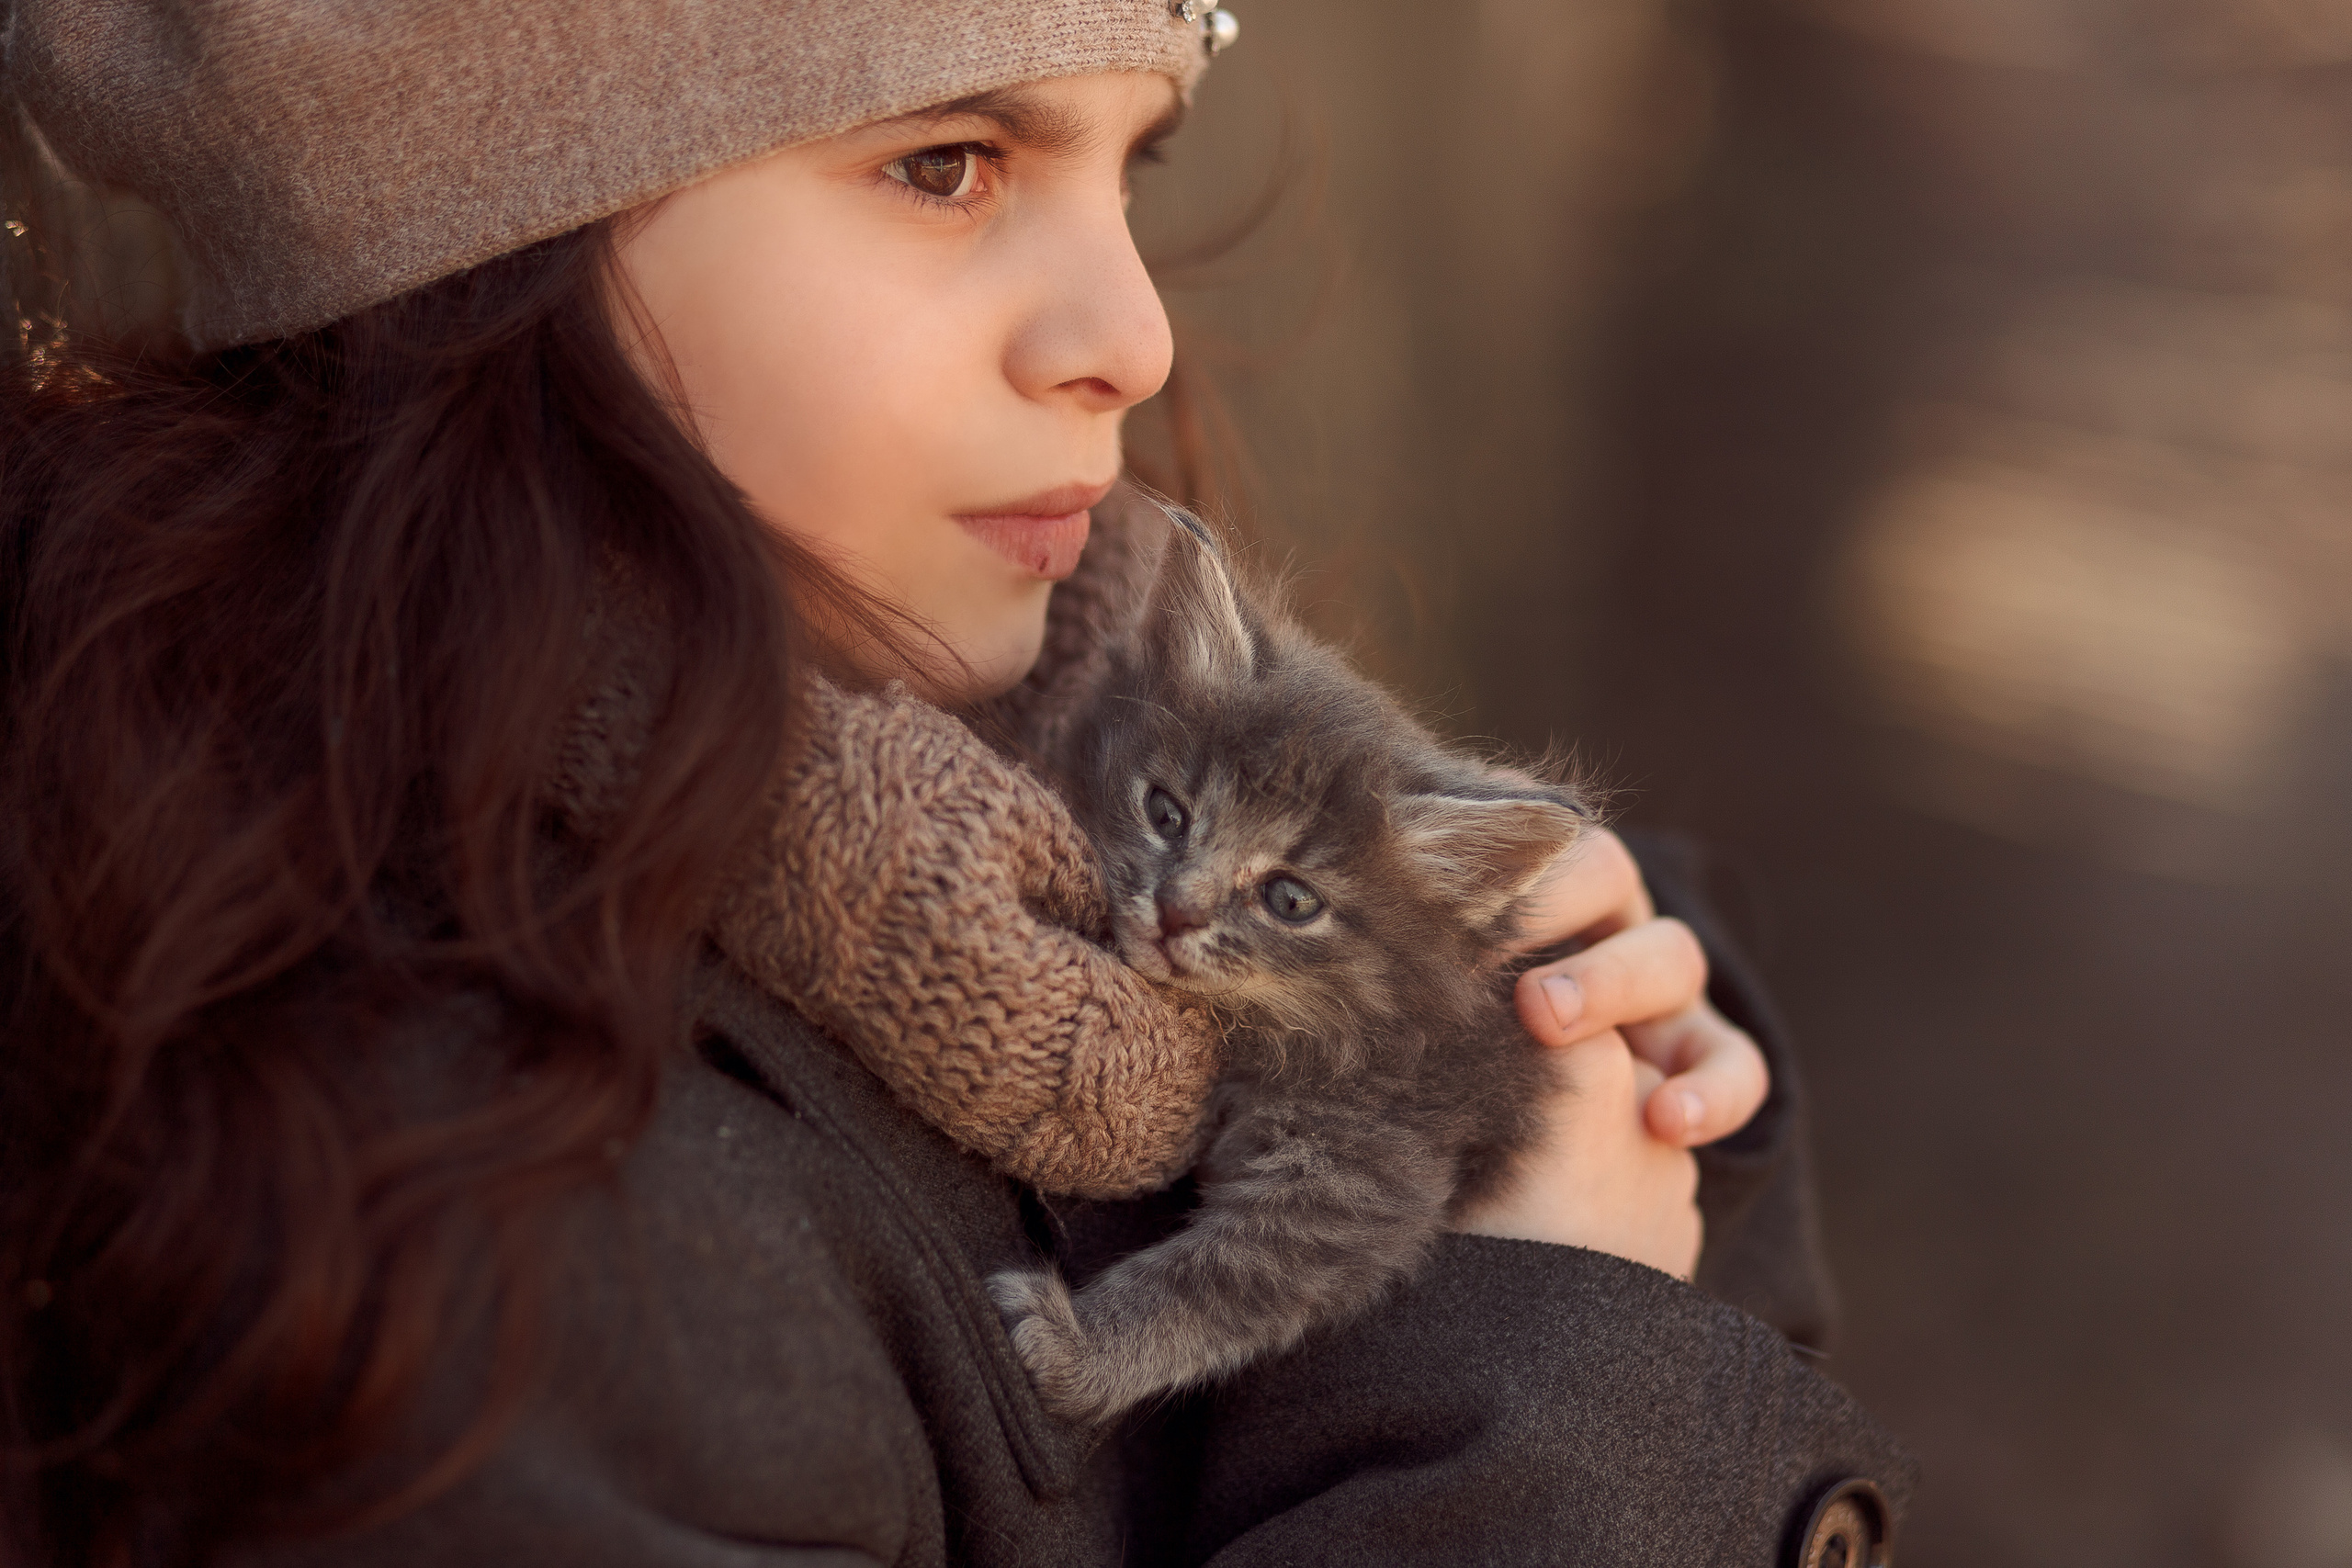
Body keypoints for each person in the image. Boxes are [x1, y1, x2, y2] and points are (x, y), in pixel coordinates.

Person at [0, 3, 1912, 1563]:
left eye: (1128, 162)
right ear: (477, 231)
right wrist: (1552, 1360)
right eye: (945, 163)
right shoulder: (493, 1237)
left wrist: (1591, 1088)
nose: (1134, 337)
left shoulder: (1064, 733)